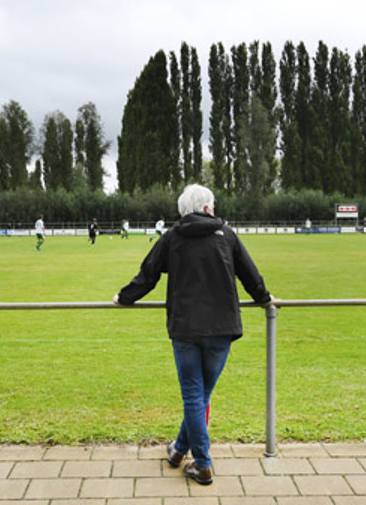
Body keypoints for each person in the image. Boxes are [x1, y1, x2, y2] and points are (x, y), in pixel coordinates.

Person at [114, 184, 273, 486]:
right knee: (199, 396)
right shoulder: (226, 235)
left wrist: (124, 297)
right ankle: (178, 451)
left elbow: (147, 274)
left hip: (186, 328)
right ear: (209, 208)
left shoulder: (172, 237)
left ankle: (201, 464)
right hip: (222, 328)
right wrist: (265, 299)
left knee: (194, 396)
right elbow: (251, 275)